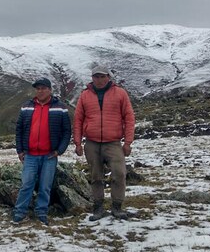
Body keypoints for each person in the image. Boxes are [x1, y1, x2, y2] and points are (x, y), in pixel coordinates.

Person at [74, 64, 135, 221]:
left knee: (119, 174)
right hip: (92, 143)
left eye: (102, 76)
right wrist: (78, 143)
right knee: (96, 176)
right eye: (96, 77)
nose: (99, 80)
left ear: (108, 77)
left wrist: (127, 142)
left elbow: (129, 117)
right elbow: (78, 120)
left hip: (113, 143)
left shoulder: (120, 94)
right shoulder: (85, 95)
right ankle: (98, 207)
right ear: (92, 78)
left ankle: (117, 207)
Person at [13, 78, 71, 225]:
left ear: (50, 90)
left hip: (49, 155)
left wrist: (60, 150)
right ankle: (20, 212)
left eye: (43, 88)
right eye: (38, 89)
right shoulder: (27, 106)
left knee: (45, 186)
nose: (40, 91)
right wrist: (20, 150)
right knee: (27, 184)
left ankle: (41, 212)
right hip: (30, 154)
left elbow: (66, 131)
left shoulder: (60, 107)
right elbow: (19, 129)